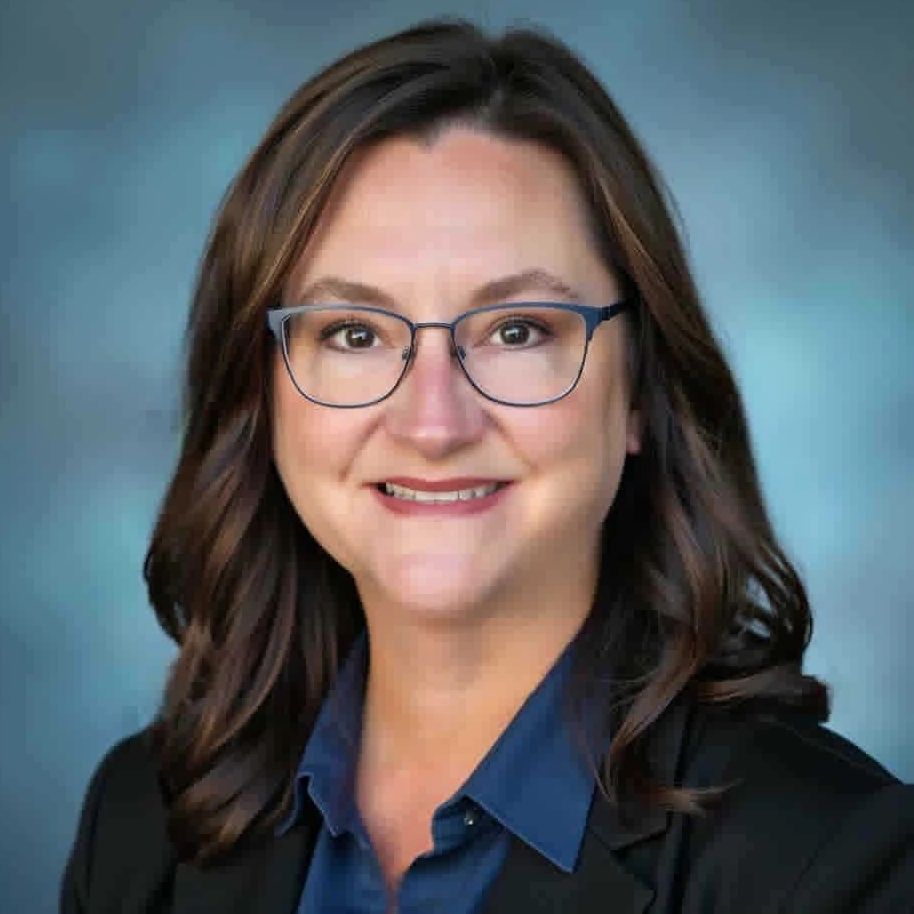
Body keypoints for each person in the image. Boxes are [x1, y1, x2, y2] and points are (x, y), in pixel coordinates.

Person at [60, 18, 913, 914]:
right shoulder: (142, 823)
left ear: (639, 391)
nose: (433, 423)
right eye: (353, 334)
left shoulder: (831, 865)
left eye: (517, 330)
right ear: (261, 393)